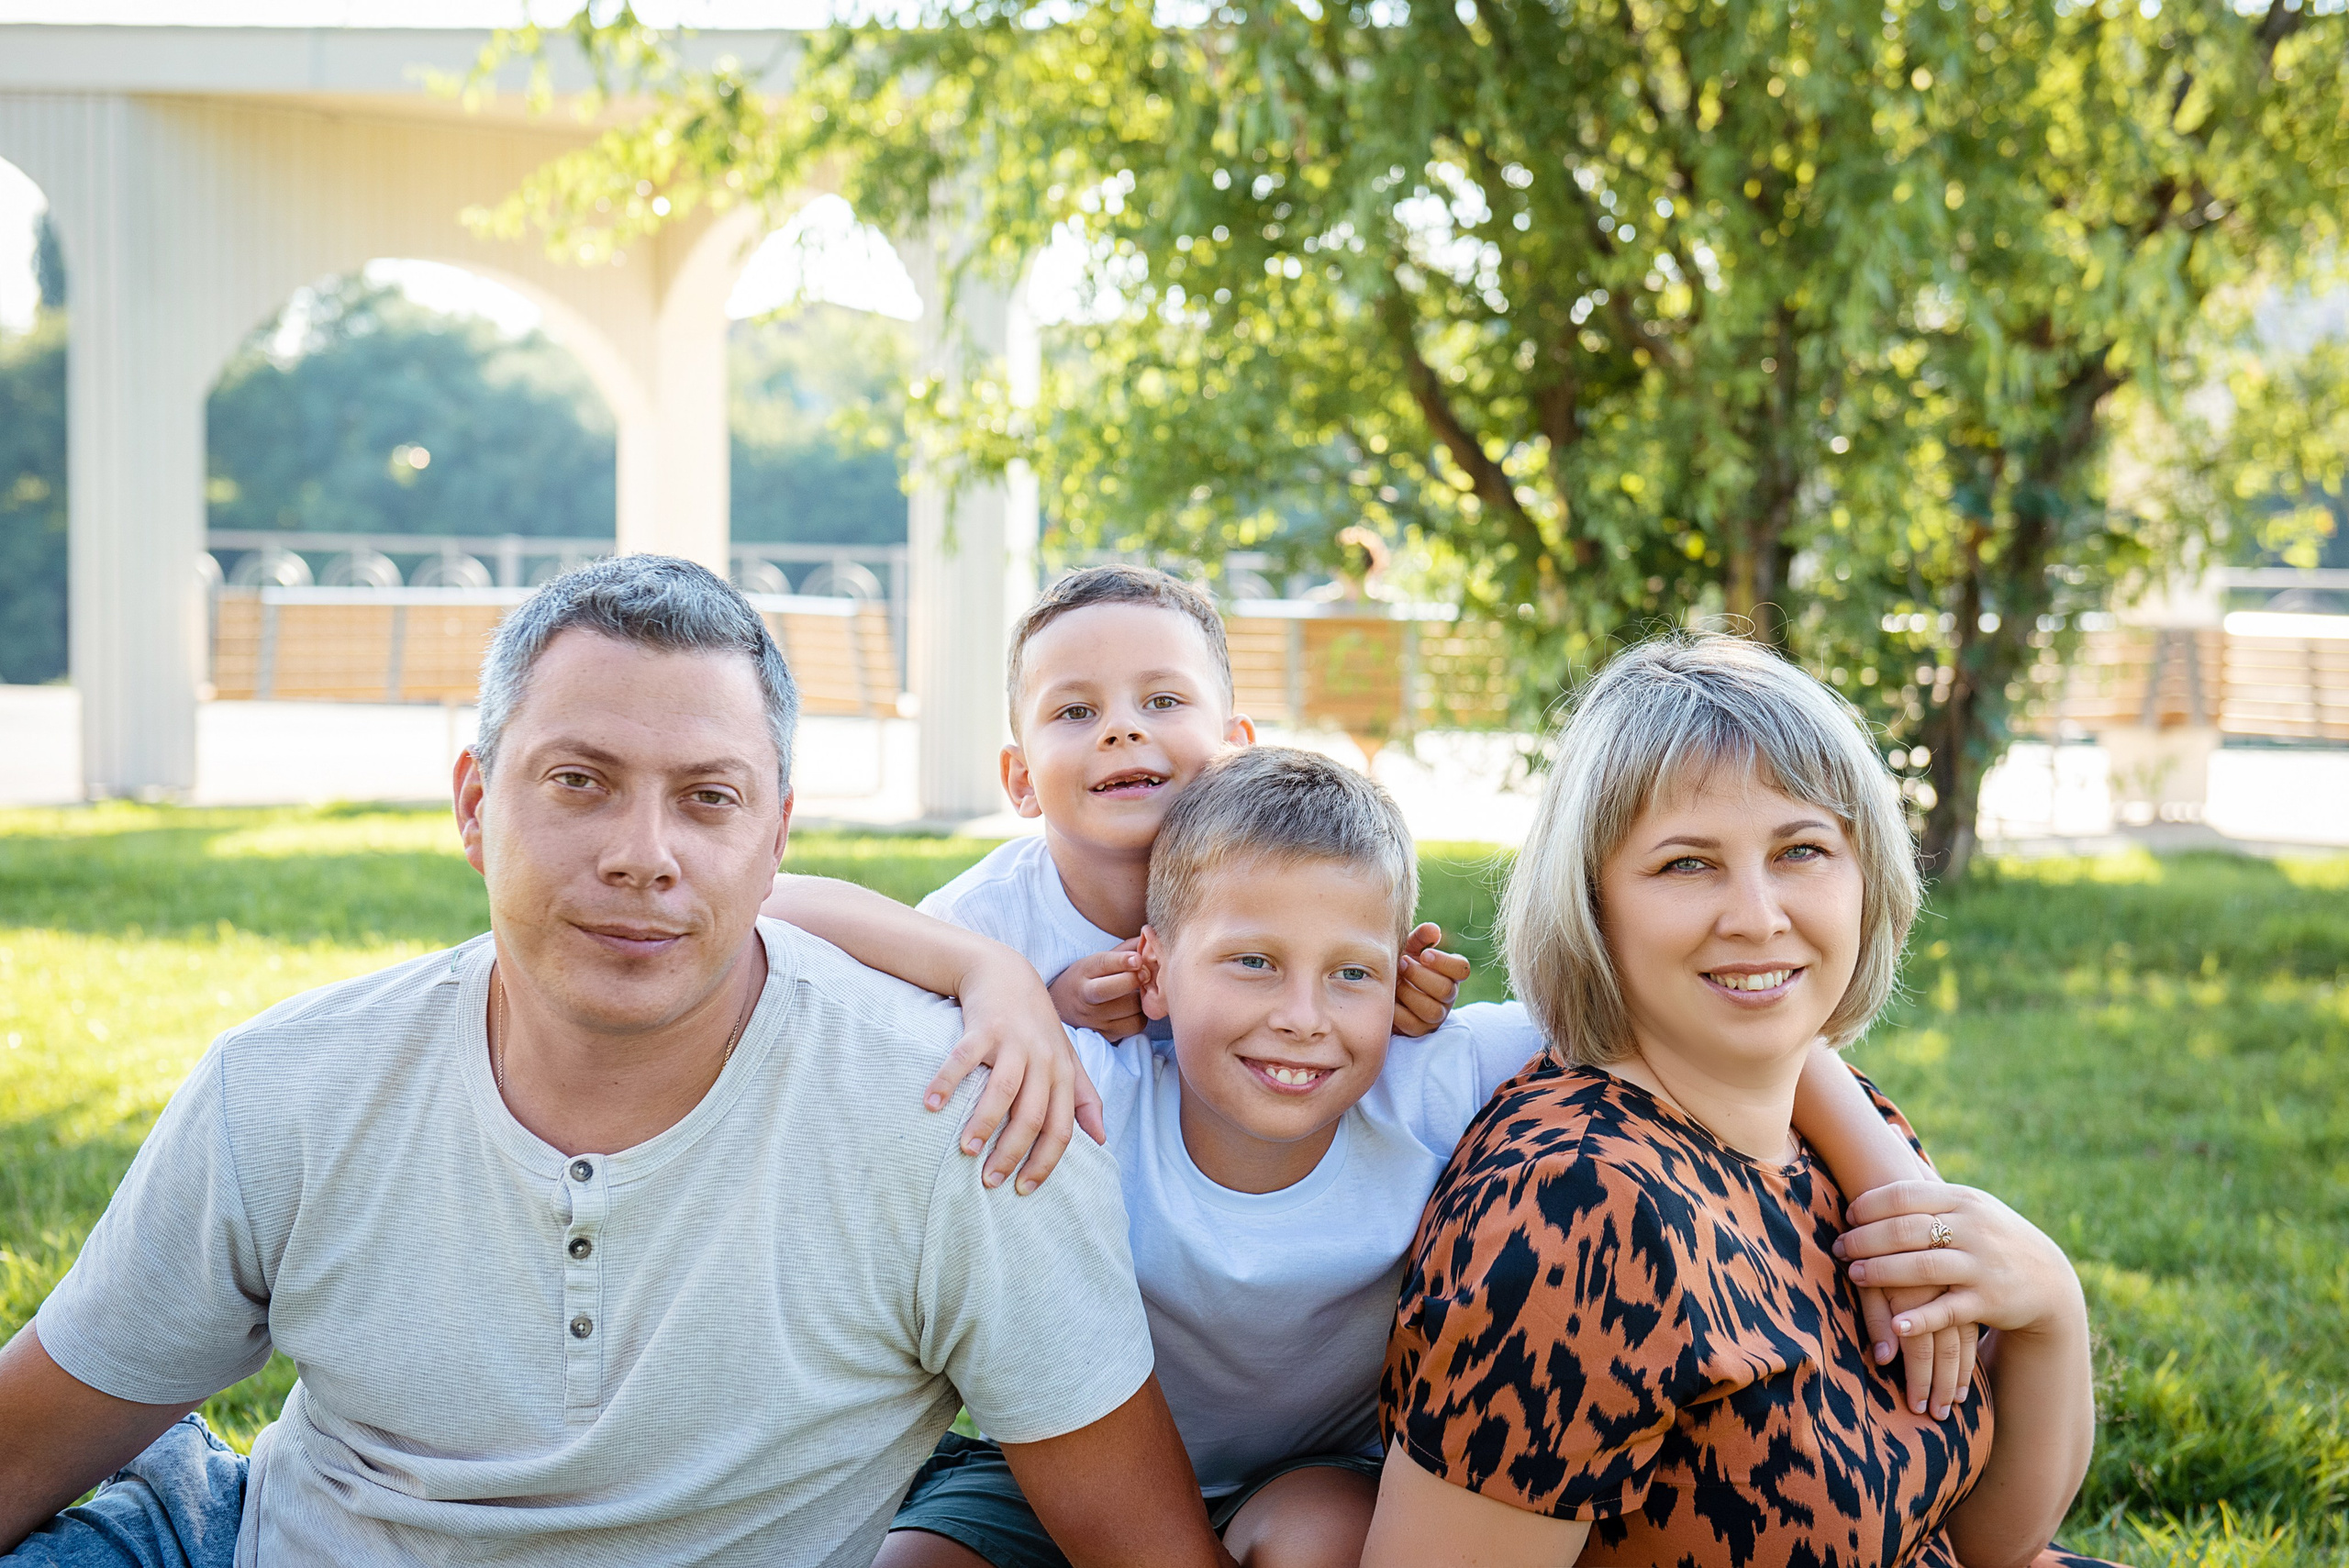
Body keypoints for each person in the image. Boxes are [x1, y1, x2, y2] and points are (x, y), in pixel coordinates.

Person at [0, 557, 1236, 1568]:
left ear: (775, 838)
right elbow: (29, 1446)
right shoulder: (285, 1086)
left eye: (708, 799)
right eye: (580, 783)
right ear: (476, 803)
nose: (644, 855)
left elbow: (1143, 1550)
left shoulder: (968, 1122)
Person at [852, 747, 1965, 1568]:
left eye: (1350, 973)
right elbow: (782, 915)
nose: (1301, 1017)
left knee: (1308, 1545)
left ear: (1402, 973)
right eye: (1249, 961)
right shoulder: (1088, 1093)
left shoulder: (1436, 1074)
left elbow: (1688, 1016)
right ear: (1149, 968)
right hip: (1061, 1464)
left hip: (1327, 1468)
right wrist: (985, 973)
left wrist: (1887, 1179)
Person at [1365, 633, 2126, 1568]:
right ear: (1592, 902)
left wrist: (2050, 1304)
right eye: (1687, 863)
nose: (1757, 914)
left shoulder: (1845, 1132)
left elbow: (1984, 1542)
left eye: (1801, 849)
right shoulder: (1576, 1208)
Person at [890, 563, 1468, 1041]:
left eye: (1163, 700)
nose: (1120, 729)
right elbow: (893, 1040)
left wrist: (1388, 1001)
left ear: (1234, 750)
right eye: (1075, 711)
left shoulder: (1298, 890)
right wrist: (1041, 1010)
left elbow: (1327, 1008)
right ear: (1021, 779)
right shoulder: (974, 924)